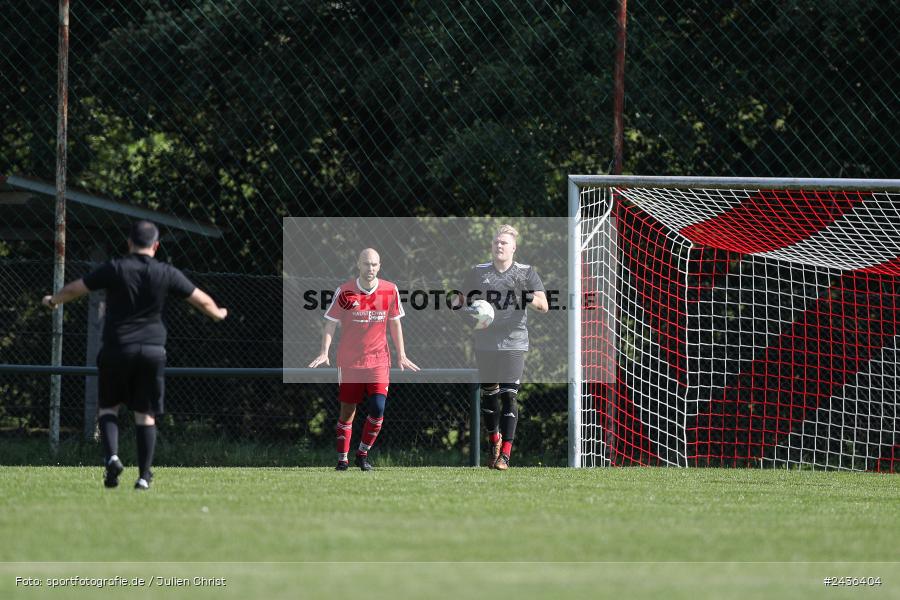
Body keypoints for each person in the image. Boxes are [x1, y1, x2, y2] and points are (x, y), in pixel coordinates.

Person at [41, 220, 227, 490]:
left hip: (117, 348)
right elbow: (201, 299)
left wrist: (53, 301)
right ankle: (143, 476)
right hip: (152, 351)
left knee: (108, 408)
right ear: (156, 245)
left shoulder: (115, 268)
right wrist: (218, 314)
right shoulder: (166, 272)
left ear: (129, 243)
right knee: (145, 414)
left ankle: (113, 458)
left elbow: (75, 289)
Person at [309, 248, 419, 471]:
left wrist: (402, 355)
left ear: (380, 266)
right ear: (358, 264)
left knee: (378, 407)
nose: (370, 268)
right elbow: (330, 322)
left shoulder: (390, 290)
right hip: (350, 361)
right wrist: (324, 352)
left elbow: (395, 323)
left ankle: (362, 454)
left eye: (375, 264)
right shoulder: (345, 291)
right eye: (366, 264)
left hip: (379, 360)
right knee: (347, 411)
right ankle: (342, 459)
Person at [455, 224, 547, 470]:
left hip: (515, 340)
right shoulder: (478, 272)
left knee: (509, 394)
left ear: (513, 248)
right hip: (485, 342)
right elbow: (458, 301)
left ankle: (505, 454)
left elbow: (543, 305)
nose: (499, 246)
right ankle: (493, 442)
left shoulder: (526, 273)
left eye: (504, 243)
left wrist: (525, 295)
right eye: (496, 242)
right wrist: (470, 315)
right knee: (490, 397)